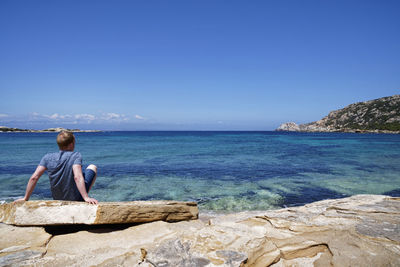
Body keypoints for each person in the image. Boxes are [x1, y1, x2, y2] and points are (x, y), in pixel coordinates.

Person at [15, 130, 98, 204]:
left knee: (81, 174)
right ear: (71, 144)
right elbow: (77, 177)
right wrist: (86, 198)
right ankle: (84, 198)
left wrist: (25, 198)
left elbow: (34, 177)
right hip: (75, 198)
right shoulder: (75, 156)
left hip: (57, 199)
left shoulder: (47, 157)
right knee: (92, 167)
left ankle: (83, 196)